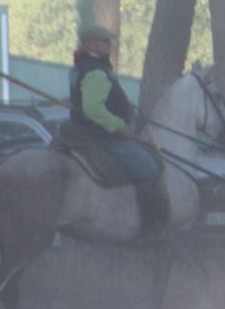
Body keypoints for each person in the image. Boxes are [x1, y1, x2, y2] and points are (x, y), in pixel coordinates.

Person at [67, 24, 165, 237]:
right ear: (91, 43)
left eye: (108, 40)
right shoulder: (95, 70)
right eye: (104, 41)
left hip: (88, 132)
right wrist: (119, 125)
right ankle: (152, 228)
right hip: (102, 135)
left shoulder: (83, 65)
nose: (109, 44)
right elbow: (93, 109)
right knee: (148, 166)